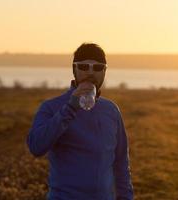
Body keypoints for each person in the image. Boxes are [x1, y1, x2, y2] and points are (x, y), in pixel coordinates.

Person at [26, 43, 134, 200]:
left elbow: (121, 163)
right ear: (74, 69)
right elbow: (36, 146)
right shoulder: (51, 107)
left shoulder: (111, 111)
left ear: (104, 72)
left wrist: (126, 197)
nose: (90, 72)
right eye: (84, 66)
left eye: (97, 68)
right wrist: (70, 108)